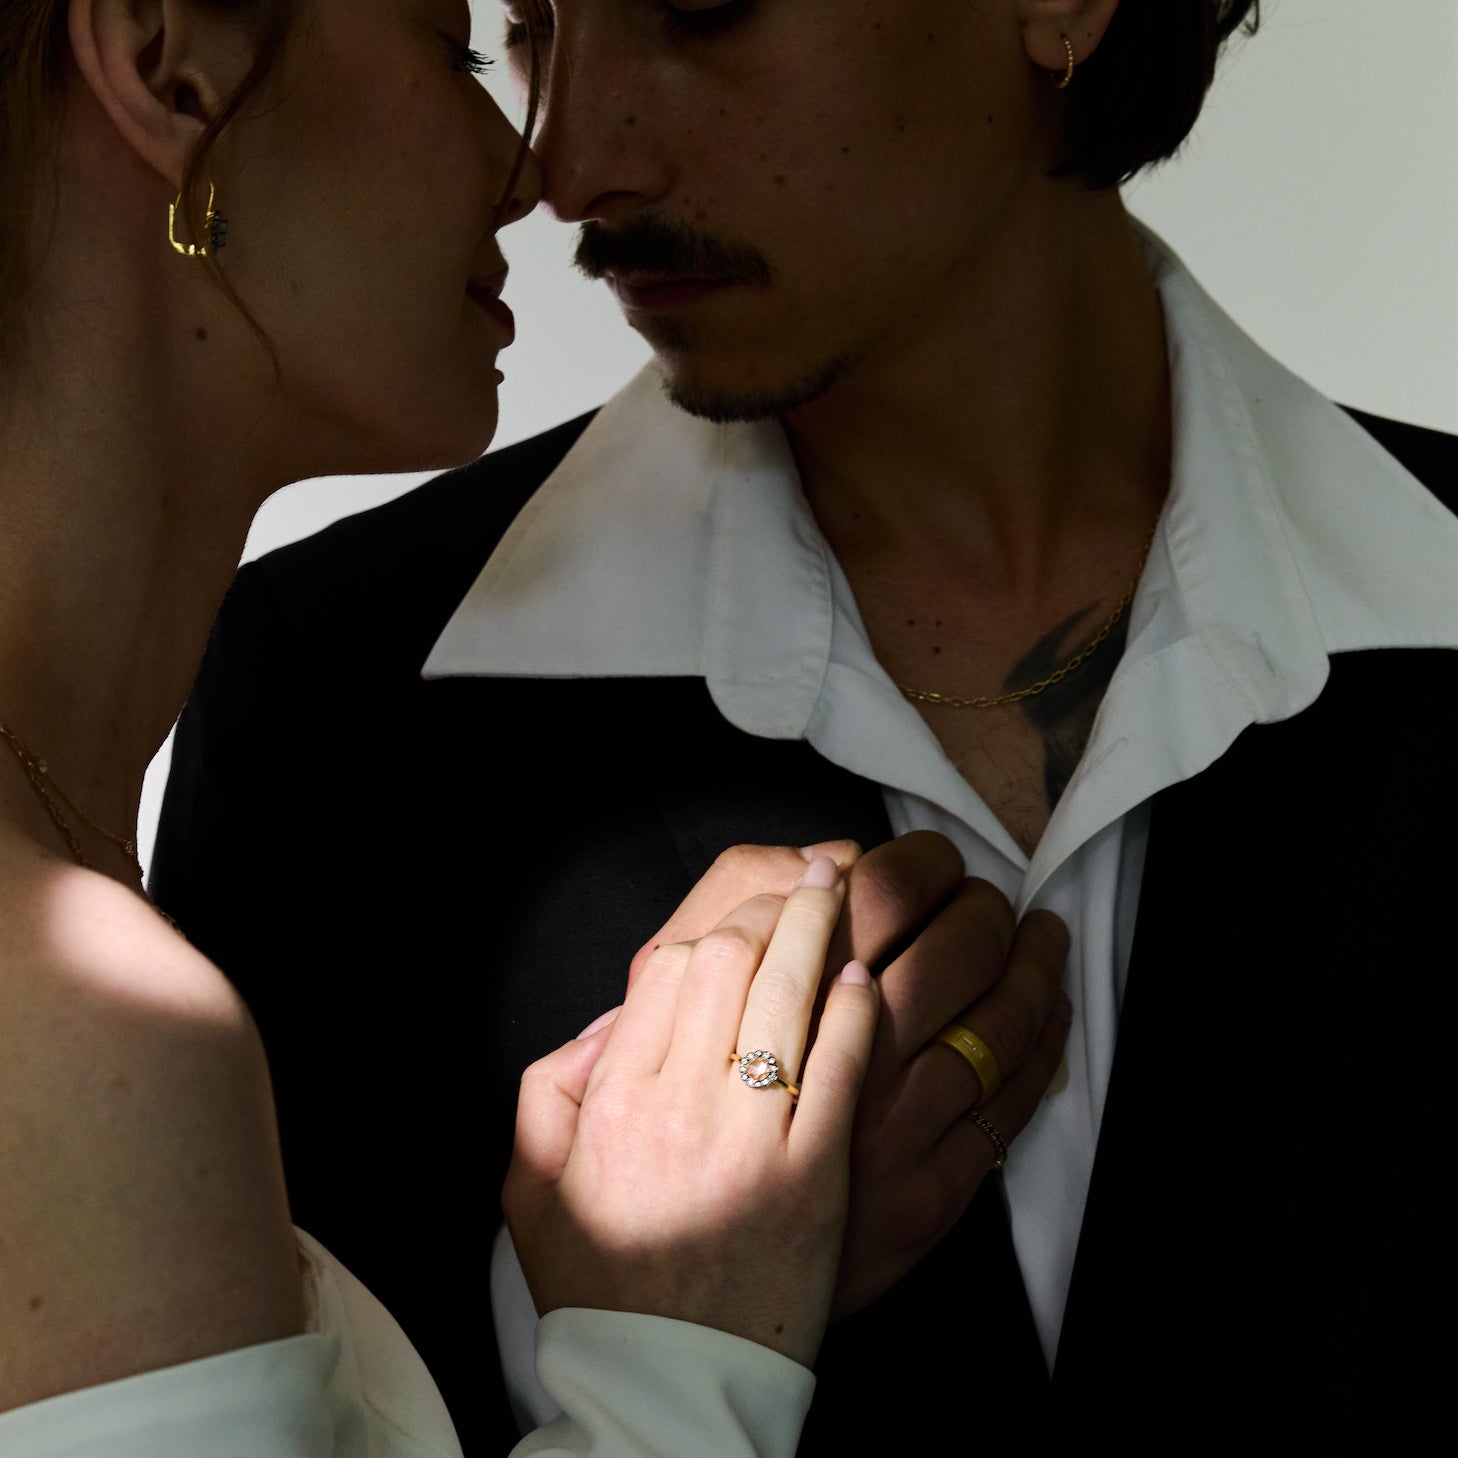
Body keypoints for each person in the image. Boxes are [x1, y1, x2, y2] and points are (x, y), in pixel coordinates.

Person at [154, 0, 1458, 1448]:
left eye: (694, 13)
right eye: (528, 29)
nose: (571, 161)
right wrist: (621, 1320)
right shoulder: (326, 698)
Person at [4, 3, 1077, 1454]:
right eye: (462, 43)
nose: (538, 168)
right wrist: (668, 1351)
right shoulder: (87, 1021)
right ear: (167, 67)